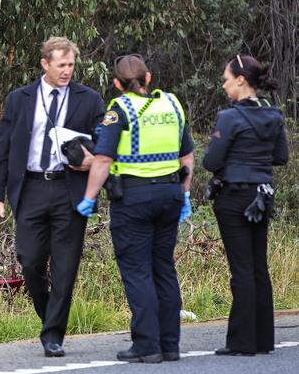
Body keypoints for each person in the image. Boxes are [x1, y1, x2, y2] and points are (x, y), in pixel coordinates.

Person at [0, 36, 105, 357]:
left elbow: (104, 142)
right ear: (45, 64)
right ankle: (49, 312)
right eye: (61, 65)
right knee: (30, 260)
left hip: (71, 187)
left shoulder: (90, 99)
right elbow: (4, 148)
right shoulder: (19, 99)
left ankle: (53, 334)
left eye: (71, 65)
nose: (67, 71)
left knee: (66, 265)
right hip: (32, 189)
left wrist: (90, 157)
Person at [77, 54, 194, 363]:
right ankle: (170, 344)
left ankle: (146, 345)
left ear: (117, 84)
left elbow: (102, 160)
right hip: (170, 195)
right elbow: (187, 157)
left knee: (138, 270)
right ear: (149, 77)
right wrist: (185, 195)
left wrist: (88, 199)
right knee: (164, 268)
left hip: (134, 200)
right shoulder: (171, 104)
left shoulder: (120, 110)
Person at [203, 54, 288, 356]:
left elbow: (211, 161)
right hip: (262, 195)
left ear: (241, 80)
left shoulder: (230, 118)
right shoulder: (274, 114)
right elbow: (281, 157)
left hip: (234, 196)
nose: (224, 86)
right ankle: (263, 339)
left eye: (226, 79)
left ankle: (241, 341)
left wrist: (233, 159)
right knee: (258, 267)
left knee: (241, 269)